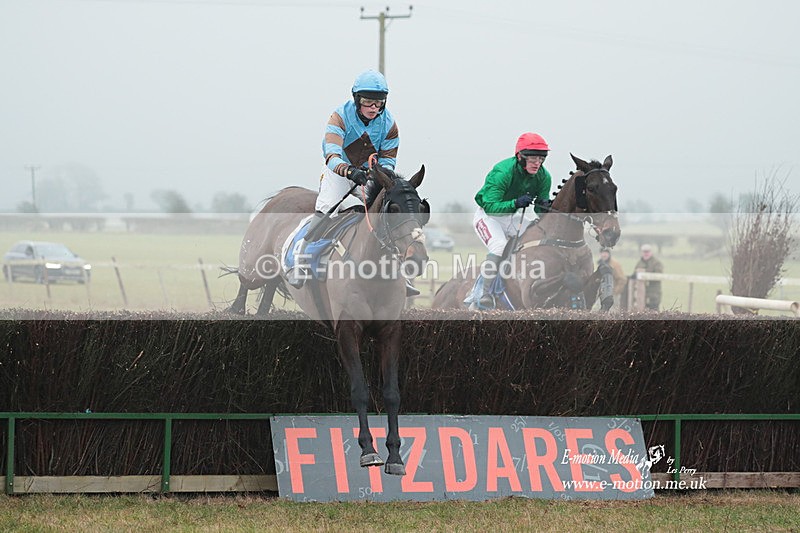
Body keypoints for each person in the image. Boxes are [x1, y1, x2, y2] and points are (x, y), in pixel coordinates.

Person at [288, 69, 417, 295]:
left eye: (378, 103)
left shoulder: (390, 124)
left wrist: (377, 176)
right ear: (357, 100)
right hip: (338, 174)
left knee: (384, 214)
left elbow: (388, 161)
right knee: (328, 209)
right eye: (368, 102)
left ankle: (400, 274)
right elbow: (331, 154)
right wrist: (349, 172)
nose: (373, 108)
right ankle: (302, 258)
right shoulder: (339, 117)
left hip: (368, 176)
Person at [471, 132, 553, 308]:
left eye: (540, 158)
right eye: (532, 159)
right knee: (499, 245)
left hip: (512, 217)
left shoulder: (544, 177)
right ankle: (483, 294)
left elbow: (540, 210)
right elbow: (491, 206)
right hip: (488, 217)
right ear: (520, 157)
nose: (537, 163)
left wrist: (545, 207)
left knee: (536, 239)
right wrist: (515, 202)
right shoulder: (503, 172)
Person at [633, 244, 664, 310]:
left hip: (653, 293)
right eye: (644, 252)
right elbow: (635, 274)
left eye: (647, 252)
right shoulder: (639, 263)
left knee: (654, 312)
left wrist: (645, 275)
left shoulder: (657, 263)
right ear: (642, 253)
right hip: (641, 294)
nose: (646, 254)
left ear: (651, 252)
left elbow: (658, 275)